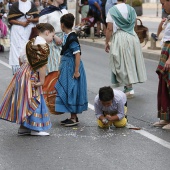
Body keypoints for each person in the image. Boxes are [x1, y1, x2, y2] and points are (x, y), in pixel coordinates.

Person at [0, 23, 55, 136]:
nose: (52, 39)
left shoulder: (30, 42)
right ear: (47, 32)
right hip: (32, 73)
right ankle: (35, 129)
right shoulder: (43, 45)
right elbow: (42, 65)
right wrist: (42, 80)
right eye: (52, 36)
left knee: (26, 99)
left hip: (23, 71)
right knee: (35, 99)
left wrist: (24, 70)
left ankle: (24, 127)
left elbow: (20, 58)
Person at [105, 0, 147, 98]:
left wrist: (107, 42)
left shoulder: (112, 10)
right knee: (130, 61)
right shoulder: (131, 9)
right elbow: (135, 25)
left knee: (121, 63)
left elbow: (109, 28)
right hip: (132, 36)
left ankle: (128, 88)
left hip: (120, 37)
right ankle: (129, 87)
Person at [55, 13, 88, 127]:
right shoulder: (68, 35)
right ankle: (72, 116)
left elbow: (77, 54)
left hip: (72, 67)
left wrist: (76, 71)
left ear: (62, 24)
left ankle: (73, 118)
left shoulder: (72, 37)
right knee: (69, 90)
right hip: (68, 66)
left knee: (72, 90)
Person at [39, 0, 68, 102]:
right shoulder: (46, 12)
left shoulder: (64, 11)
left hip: (63, 41)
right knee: (53, 68)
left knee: (63, 69)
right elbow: (41, 28)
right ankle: (48, 96)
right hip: (51, 43)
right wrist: (54, 36)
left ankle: (61, 96)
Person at [8, 0, 39, 75]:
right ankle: (17, 73)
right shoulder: (15, 5)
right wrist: (21, 23)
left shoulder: (31, 4)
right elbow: (10, 19)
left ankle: (29, 73)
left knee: (29, 50)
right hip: (17, 31)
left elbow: (37, 18)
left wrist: (31, 20)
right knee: (16, 51)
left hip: (29, 31)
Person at [153, 0, 170, 130]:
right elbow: (162, 35)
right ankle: (165, 118)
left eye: (163, 3)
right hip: (166, 51)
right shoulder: (168, 18)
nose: (162, 6)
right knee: (163, 85)